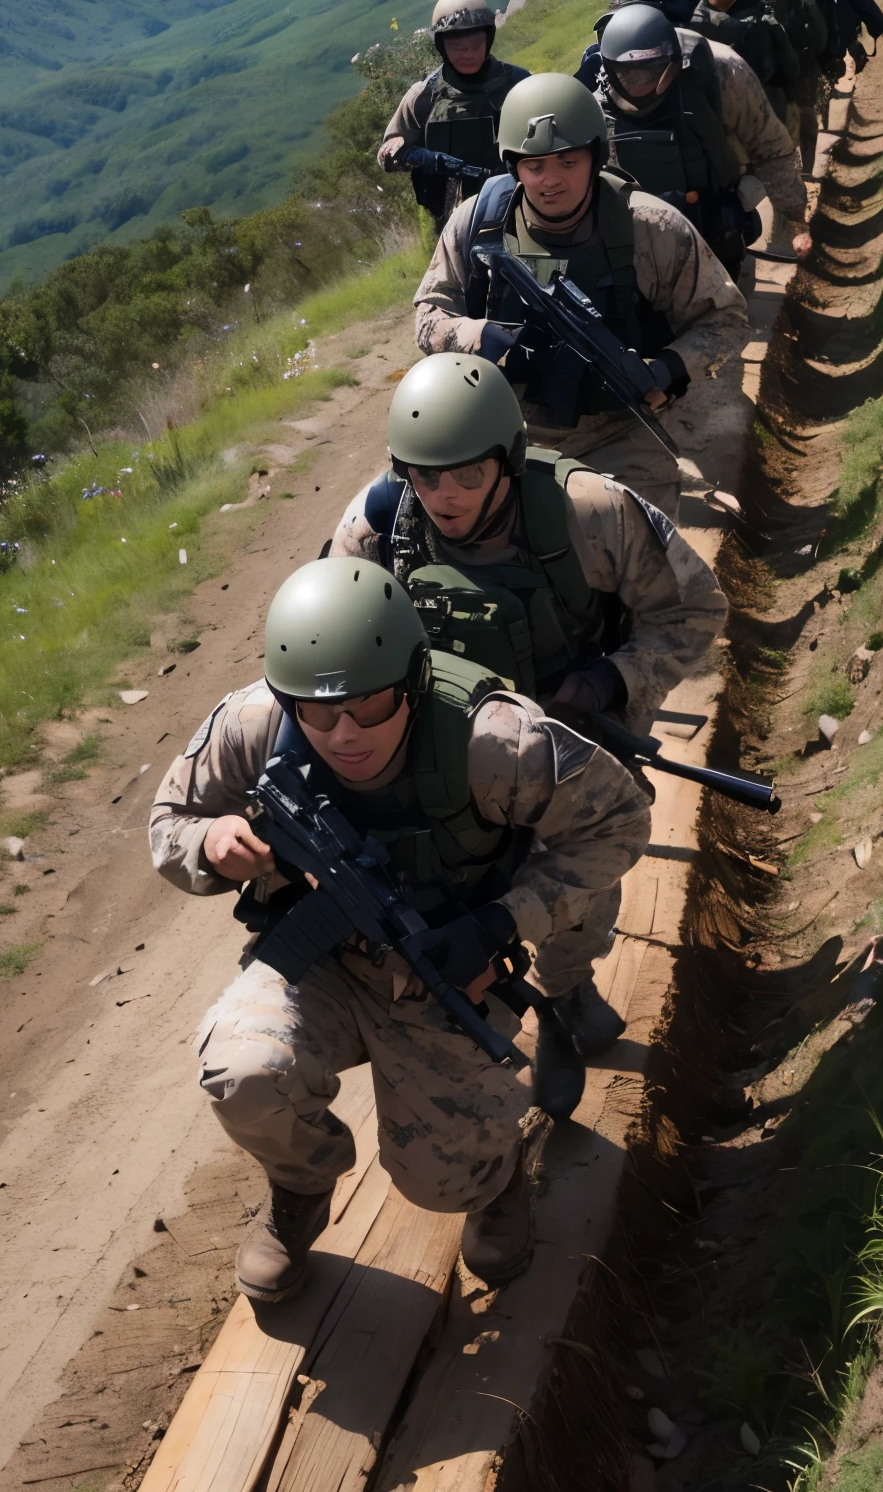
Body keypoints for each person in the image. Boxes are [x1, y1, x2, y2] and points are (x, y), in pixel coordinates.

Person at [150, 557, 651, 1299]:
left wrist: (499, 922)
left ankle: (494, 1177)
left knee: (442, 1185)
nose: (345, 733)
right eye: (318, 713)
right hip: (316, 962)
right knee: (242, 1069)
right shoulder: (255, 723)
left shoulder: (494, 742)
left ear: (413, 682)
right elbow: (169, 824)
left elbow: (619, 822)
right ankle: (300, 1190)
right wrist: (212, 843)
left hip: (442, 967)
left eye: (371, 706)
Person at [330, 352, 728, 732]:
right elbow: (334, 658)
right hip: (427, 732)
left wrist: (609, 683)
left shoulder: (588, 512)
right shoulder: (376, 527)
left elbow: (694, 606)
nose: (443, 496)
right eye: (426, 475)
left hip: (568, 726)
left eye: (469, 474)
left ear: (510, 460)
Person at [413, 72, 749, 517]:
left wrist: (669, 368)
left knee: (629, 545)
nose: (550, 181)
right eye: (534, 166)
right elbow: (428, 314)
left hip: (619, 432)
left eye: (568, 163)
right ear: (513, 164)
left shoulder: (649, 228)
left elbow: (726, 318)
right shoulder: (479, 222)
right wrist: (476, 335)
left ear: (596, 156)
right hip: (501, 430)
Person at [593, 4, 805, 280]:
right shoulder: (596, 105)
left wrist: (795, 218)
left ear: (674, 59)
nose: (640, 83)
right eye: (627, 74)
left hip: (718, 220)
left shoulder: (723, 72)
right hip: (645, 242)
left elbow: (770, 146)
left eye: (651, 70)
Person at [378, 0, 530, 235]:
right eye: (457, 47)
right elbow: (387, 156)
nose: (467, 54)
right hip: (450, 224)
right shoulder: (423, 96)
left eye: (476, 45)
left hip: (519, 207)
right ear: (442, 46)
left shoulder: (520, 84)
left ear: (488, 40)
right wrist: (435, 162)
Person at [747, 0, 828, 175]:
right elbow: (818, 36)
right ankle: (807, 170)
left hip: (756, 76)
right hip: (798, 71)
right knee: (806, 117)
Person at [690, 0, 801, 123]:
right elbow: (790, 64)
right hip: (763, 97)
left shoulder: (698, 22)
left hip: (732, 106)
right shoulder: (762, 17)